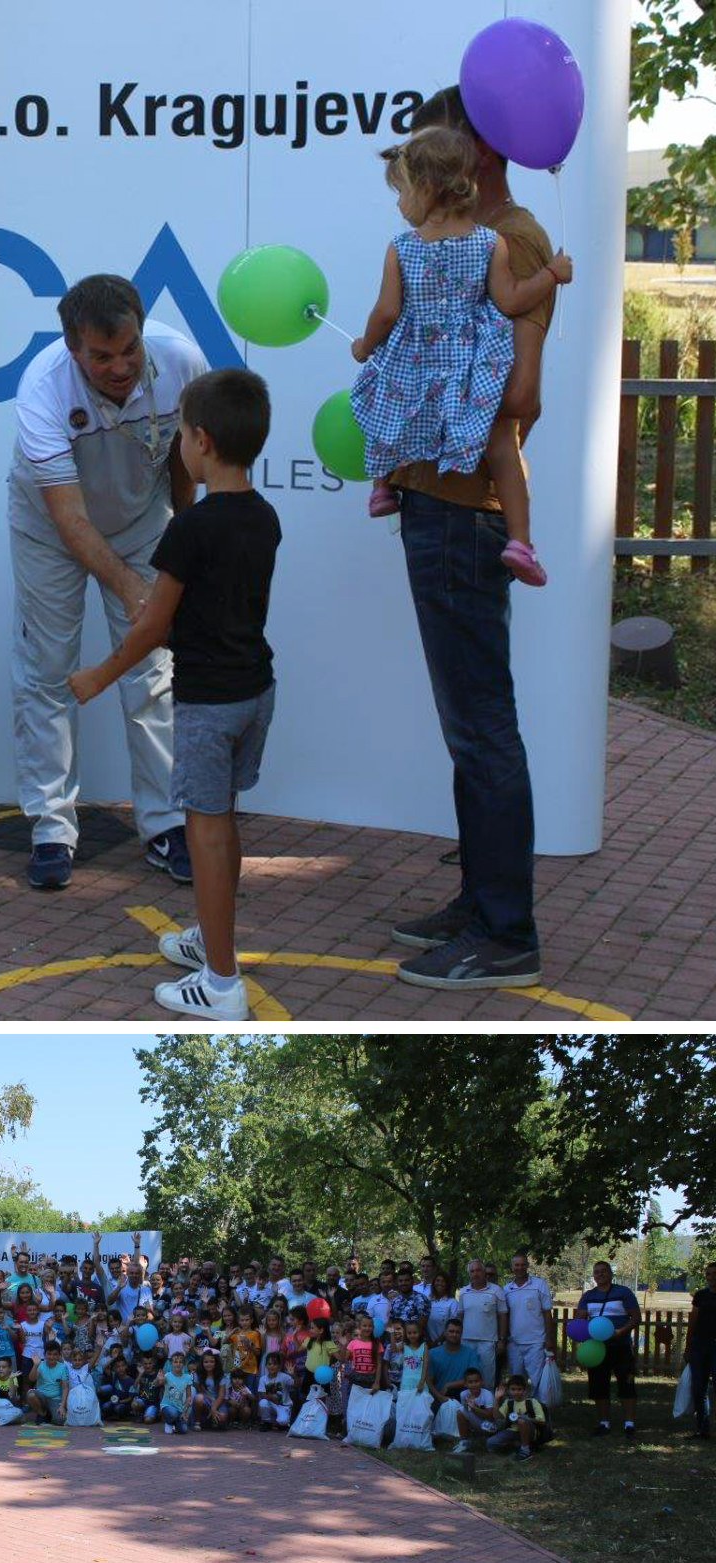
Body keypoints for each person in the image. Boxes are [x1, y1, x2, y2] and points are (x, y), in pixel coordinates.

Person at [379, 87, 560, 992]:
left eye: (435, 144)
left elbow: (519, 395)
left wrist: (427, 392)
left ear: (476, 152)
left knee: (482, 722)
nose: (422, 164)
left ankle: (506, 931)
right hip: (432, 499)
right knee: (467, 723)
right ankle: (479, 902)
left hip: (461, 510)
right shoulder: (449, 242)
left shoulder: (511, 240)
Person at [70, 367, 279, 1020]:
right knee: (222, 821)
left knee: (205, 833)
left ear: (202, 441)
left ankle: (221, 983)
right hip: (254, 693)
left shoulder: (188, 530)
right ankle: (212, 938)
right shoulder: (264, 517)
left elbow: (153, 627)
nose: (177, 446)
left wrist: (99, 675)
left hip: (208, 706)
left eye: (181, 434)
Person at [9, 272, 207, 893]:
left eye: (129, 350)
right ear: (72, 348)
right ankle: (50, 828)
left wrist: (180, 544)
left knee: (152, 670)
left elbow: (183, 458)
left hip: (142, 523)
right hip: (49, 531)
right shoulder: (42, 389)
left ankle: (167, 824)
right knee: (47, 671)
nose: (121, 368)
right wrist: (129, 588)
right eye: (102, 357)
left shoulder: (182, 360)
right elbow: (69, 519)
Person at [352, 125, 571, 584]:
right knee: (502, 446)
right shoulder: (491, 243)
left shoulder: (402, 249)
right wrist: (552, 274)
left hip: (417, 363)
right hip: (470, 368)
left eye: (402, 192)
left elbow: (386, 311)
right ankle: (520, 542)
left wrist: (365, 345)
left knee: (387, 406)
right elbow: (511, 299)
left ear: (426, 189)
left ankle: (381, 488)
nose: (399, 204)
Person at [575, 1260, 640, 1438]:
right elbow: (580, 1320)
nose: (600, 1274)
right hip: (597, 1348)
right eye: (596, 1272)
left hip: (621, 1346)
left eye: (604, 1271)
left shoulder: (623, 1292)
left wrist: (620, 1332)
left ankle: (629, 1424)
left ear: (611, 1273)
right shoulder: (588, 1296)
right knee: (599, 1386)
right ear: (593, 1276)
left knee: (627, 1384)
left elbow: (635, 1318)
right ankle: (604, 1423)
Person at [502, 1252, 554, 1389]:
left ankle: (540, 1403)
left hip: (536, 1342)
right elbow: (504, 1316)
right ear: (512, 1267)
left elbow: (547, 1313)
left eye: (522, 1265)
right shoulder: (506, 1289)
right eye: (516, 1265)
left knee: (538, 1382)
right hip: (514, 1343)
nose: (519, 1268)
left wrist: (549, 1339)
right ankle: (519, 1404)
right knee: (516, 1382)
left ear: (527, 1265)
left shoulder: (539, 1284)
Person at [458, 1259, 508, 1389]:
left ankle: (488, 1400)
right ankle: (468, 1400)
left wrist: (502, 1340)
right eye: (472, 1271)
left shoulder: (496, 1290)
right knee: (468, 1376)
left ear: (484, 1272)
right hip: (466, 1341)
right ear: (469, 1274)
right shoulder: (463, 1292)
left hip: (488, 1342)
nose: (475, 1274)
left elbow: (503, 1316)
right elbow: (460, 1316)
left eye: (478, 1270)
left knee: (487, 1377)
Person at [484, 1373, 552, 1461]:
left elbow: (542, 1421)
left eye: (519, 1389)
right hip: (513, 1431)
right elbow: (497, 1416)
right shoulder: (508, 1402)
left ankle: (525, 1450)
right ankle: (518, 1444)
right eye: (513, 1389)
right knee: (490, 1443)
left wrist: (526, 1418)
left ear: (525, 1390)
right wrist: (496, 1399)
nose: (516, 1392)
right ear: (508, 1390)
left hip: (530, 1431)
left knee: (521, 1421)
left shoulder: (532, 1402)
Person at [683, 1260, 716, 1440]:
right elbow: (693, 1321)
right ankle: (702, 1428)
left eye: (715, 1274)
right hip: (699, 1346)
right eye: (709, 1274)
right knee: (698, 1388)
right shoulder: (701, 1295)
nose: (712, 1277)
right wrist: (688, 1346)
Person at [427, 1317, 480, 1413]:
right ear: (445, 1333)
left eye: (457, 1332)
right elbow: (428, 1381)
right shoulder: (432, 1354)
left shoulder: (470, 1353)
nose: (454, 1334)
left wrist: (449, 1385)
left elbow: (475, 1380)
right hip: (438, 1397)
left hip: (463, 1398)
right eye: (451, 1331)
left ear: (461, 1334)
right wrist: (440, 1397)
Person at [449, 1365, 496, 1454]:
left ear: (481, 1382)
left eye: (476, 1381)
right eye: (470, 1382)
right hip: (476, 1423)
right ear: (465, 1384)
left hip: (490, 1426)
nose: (474, 1384)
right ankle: (464, 1441)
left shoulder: (487, 1394)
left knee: (461, 1410)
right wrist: (469, 1406)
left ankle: (481, 1438)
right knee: (460, 1411)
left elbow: (490, 1416)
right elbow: (466, 1413)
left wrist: (474, 1407)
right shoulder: (463, 1394)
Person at [26, 1339, 69, 1424]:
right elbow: (31, 1379)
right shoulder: (40, 1365)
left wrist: (62, 1406)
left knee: (60, 1420)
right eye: (49, 1354)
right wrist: (35, 1365)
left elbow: (65, 1388)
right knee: (31, 1395)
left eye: (54, 1354)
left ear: (59, 1355)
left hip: (55, 1399)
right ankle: (42, 1414)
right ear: (45, 1354)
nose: (51, 1357)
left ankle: (48, 1415)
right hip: (41, 1397)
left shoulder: (63, 1367)